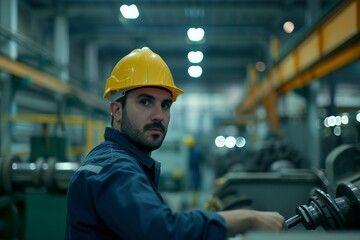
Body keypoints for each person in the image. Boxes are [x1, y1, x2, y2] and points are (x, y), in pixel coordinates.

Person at [65, 47, 286, 239]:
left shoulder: (117, 161)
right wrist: (247, 218)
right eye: (145, 102)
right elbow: (162, 231)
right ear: (117, 110)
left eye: (165, 105)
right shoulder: (116, 168)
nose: (158, 115)